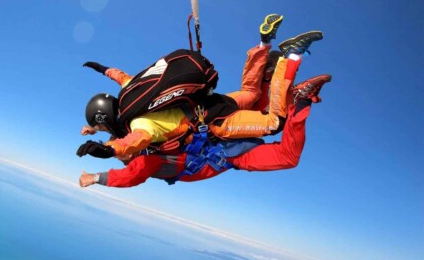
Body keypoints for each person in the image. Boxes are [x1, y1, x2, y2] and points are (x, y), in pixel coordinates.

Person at [77, 14, 323, 159]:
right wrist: (102, 69)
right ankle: (263, 43)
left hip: (217, 122)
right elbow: (120, 76)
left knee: (274, 123)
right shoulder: (132, 92)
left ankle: (290, 57)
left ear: (106, 119)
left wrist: (108, 150)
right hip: (216, 100)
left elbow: (134, 142)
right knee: (252, 92)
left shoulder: (139, 124)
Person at [78, 73, 331, 188]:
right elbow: (125, 137)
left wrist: (95, 177)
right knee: (255, 103)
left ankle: (298, 99)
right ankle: (280, 79)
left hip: (229, 153)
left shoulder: (150, 158)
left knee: (284, 150)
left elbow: (130, 171)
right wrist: (96, 131)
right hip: (219, 134)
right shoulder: (143, 118)